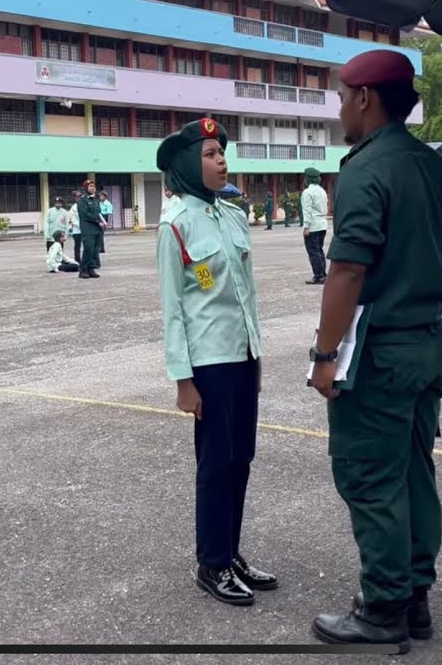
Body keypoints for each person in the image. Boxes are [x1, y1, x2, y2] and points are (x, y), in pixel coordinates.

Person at [307, 50, 442, 651]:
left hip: (380, 350)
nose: (341, 107)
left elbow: (346, 270)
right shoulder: (433, 166)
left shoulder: (368, 169)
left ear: (366, 98)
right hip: (427, 342)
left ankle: (384, 607)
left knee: (372, 477)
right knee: (414, 470)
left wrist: (323, 355)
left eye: (343, 96)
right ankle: (415, 596)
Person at [156, 117, 274, 607]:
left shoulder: (234, 217)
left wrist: (258, 356)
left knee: (241, 459)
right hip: (209, 363)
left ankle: (230, 552)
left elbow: (246, 296)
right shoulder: (175, 224)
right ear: (187, 164)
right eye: (209, 154)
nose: (221, 159)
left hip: (242, 356)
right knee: (216, 463)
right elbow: (173, 309)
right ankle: (211, 563)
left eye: (222, 152)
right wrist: (183, 380)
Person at [301, 168, 330, 285]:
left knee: (313, 251)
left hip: (313, 225)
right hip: (322, 224)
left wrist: (306, 227)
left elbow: (307, 210)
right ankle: (322, 274)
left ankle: (318, 276)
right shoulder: (323, 191)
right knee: (319, 250)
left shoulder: (307, 192)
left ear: (307, 179)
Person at [76, 180, 103, 279]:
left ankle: (91, 268)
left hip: (96, 228)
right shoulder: (82, 201)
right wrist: (96, 220)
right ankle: (83, 270)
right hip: (88, 228)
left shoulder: (96, 200)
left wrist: (102, 222)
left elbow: (99, 212)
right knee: (88, 248)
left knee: (95, 250)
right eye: (90, 186)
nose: (93, 188)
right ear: (86, 188)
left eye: (93, 186)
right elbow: (85, 215)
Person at [68, 191, 83, 263]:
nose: (78, 198)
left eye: (80, 197)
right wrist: (80, 225)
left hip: (85, 229)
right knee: (77, 246)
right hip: (77, 230)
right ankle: (78, 260)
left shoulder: (85, 205)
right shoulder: (73, 208)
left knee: (87, 246)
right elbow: (72, 219)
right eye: (77, 197)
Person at [98, 190, 114, 256]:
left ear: (105, 197)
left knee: (101, 234)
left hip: (104, 218)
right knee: (99, 234)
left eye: (102, 196)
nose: (100, 197)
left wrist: (108, 223)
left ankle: (102, 248)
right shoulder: (99, 203)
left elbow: (109, 214)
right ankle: (99, 247)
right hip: (99, 217)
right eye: (100, 196)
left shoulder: (108, 204)